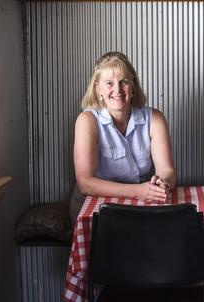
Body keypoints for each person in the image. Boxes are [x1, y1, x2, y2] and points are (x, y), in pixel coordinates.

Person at [69, 51, 176, 225]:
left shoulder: (155, 118)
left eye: (124, 82)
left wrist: (163, 183)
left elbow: (168, 170)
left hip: (138, 204)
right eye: (109, 83)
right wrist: (138, 191)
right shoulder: (87, 121)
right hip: (93, 208)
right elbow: (85, 183)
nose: (117, 90)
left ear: (133, 86)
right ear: (98, 89)